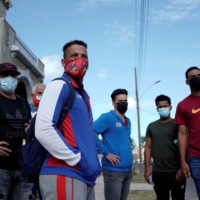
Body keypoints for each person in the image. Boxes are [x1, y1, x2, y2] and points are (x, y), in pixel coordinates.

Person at [35, 40, 101, 200]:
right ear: (64, 62)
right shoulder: (59, 85)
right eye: (74, 55)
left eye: (84, 56)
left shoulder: (83, 95)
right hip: (64, 172)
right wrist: (78, 159)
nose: (80, 60)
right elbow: (43, 129)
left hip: (84, 176)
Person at [93, 88, 133, 200]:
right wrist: (105, 152)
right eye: (120, 101)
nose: (123, 103)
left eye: (125, 101)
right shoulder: (107, 117)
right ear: (113, 103)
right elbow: (91, 132)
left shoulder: (128, 121)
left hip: (127, 171)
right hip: (113, 170)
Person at [0, 63, 33, 199]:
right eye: (4, 75)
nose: (9, 78)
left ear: (17, 79)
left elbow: (27, 127)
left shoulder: (23, 103)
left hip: (21, 166)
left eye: (12, 75)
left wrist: (29, 130)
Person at [144, 95, 186, 200]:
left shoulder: (178, 124)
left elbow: (186, 145)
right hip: (158, 172)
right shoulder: (151, 126)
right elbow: (148, 148)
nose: (163, 108)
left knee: (179, 198)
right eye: (160, 107)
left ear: (170, 107)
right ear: (157, 109)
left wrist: (182, 166)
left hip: (176, 171)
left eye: (165, 106)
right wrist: (147, 168)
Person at [175, 66, 200, 198]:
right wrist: (183, 162)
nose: (197, 78)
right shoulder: (183, 105)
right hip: (196, 158)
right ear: (187, 82)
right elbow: (182, 134)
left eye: (198, 75)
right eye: (193, 77)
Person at [30, 83, 46, 200]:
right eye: (40, 93)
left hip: (45, 161)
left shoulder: (51, 114)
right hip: (30, 161)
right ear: (32, 95)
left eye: (45, 93)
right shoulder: (25, 111)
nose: (42, 96)